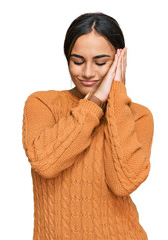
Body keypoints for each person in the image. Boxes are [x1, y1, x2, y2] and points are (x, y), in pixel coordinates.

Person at [22, 12, 154, 240]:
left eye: (101, 62)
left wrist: (116, 97)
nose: (88, 72)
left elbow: (123, 182)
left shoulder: (138, 116)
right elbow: (46, 164)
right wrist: (95, 102)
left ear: (119, 60)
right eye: (77, 61)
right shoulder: (42, 104)